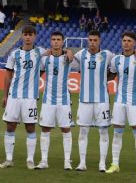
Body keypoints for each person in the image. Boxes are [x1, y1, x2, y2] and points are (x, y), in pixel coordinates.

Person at [0, 25, 46, 169]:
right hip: (14, 96)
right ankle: (8, 159)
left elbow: (55, 54)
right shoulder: (14, 54)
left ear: (35, 37)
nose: (27, 37)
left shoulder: (41, 52)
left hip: (30, 97)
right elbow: (7, 76)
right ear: (22, 36)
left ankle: (30, 160)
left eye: (30, 34)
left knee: (30, 126)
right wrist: (5, 95)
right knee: (10, 125)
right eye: (25, 34)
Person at [73, 30, 115, 172]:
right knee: (83, 131)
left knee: (103, 132)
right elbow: (69, 59)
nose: (92, 42)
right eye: (90, 40)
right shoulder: (80, 54)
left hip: (102, 101)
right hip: (84, 100)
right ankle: (82, 163)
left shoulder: (108, 55)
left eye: (95, 40)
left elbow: (118, 65)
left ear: (99, 41)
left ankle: (102, 163)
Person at [105, 32, 136, 174]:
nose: (126, 43)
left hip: (135, 101)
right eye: (124, 40)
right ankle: (115, 164)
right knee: (117, 133)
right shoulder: (116, 59)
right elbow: (111, 75)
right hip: (119, 101)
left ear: (134, 43)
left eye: (129, 40)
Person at [35, 32, 74, 170]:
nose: (56, 42)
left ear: (62, 41)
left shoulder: (68, 56)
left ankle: (67, 161)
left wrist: (68, 51)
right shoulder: (45, 59)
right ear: (50, 41)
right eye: (53, 39)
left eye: (58, 40)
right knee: (45, 128)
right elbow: (37, 73)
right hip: (48, 100)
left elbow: (71, 56)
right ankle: (44, 161)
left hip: (64, 100)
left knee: (66, 129)